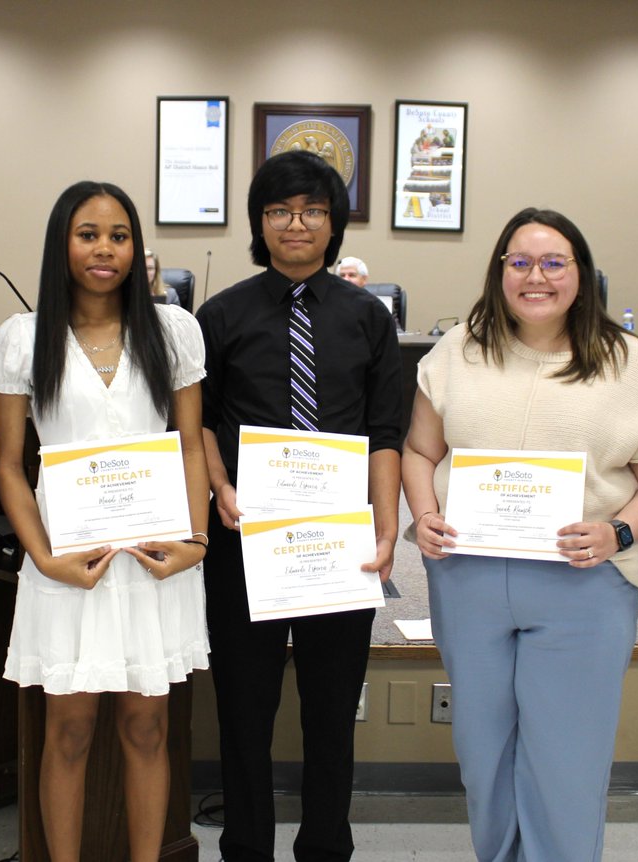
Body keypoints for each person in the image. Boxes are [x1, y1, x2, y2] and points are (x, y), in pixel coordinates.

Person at [402, 207, 638, 862]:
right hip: (469, 582)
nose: (537, 277)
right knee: (483, 755)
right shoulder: (458, 352)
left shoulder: (630, 364)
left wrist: (618, 531)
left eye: (554, 262)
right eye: (520, 262)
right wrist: (424, 514)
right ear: (499, 271)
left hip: (582, 586)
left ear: (581, 274)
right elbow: (418, 451)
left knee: (567, 762)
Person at [0, 181, 210, 862]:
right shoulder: (24, 339)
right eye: (88, 234)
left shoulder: (172, 329)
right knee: (69, 731)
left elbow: (192, 444)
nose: (104, 249)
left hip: (153, 557)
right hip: (66, 560)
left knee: (147, 728)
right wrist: (43, 557)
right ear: (62, 244)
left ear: (137, 247)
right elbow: (8, 467)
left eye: (119, 235)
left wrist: (196, 542)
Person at [196, 150, 402, 862]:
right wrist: (220, 488)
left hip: (338, 545)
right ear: (261, 220)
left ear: (333, 222)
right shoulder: (219, 315)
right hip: (244, 540)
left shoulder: (368, 319)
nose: (297, 223)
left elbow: (385, 433)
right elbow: (199, 422)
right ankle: (246, 846)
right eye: (281, 210)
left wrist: (387, 526)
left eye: (313, 210)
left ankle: (325, 846)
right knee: (244, 709)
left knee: (329, 709)